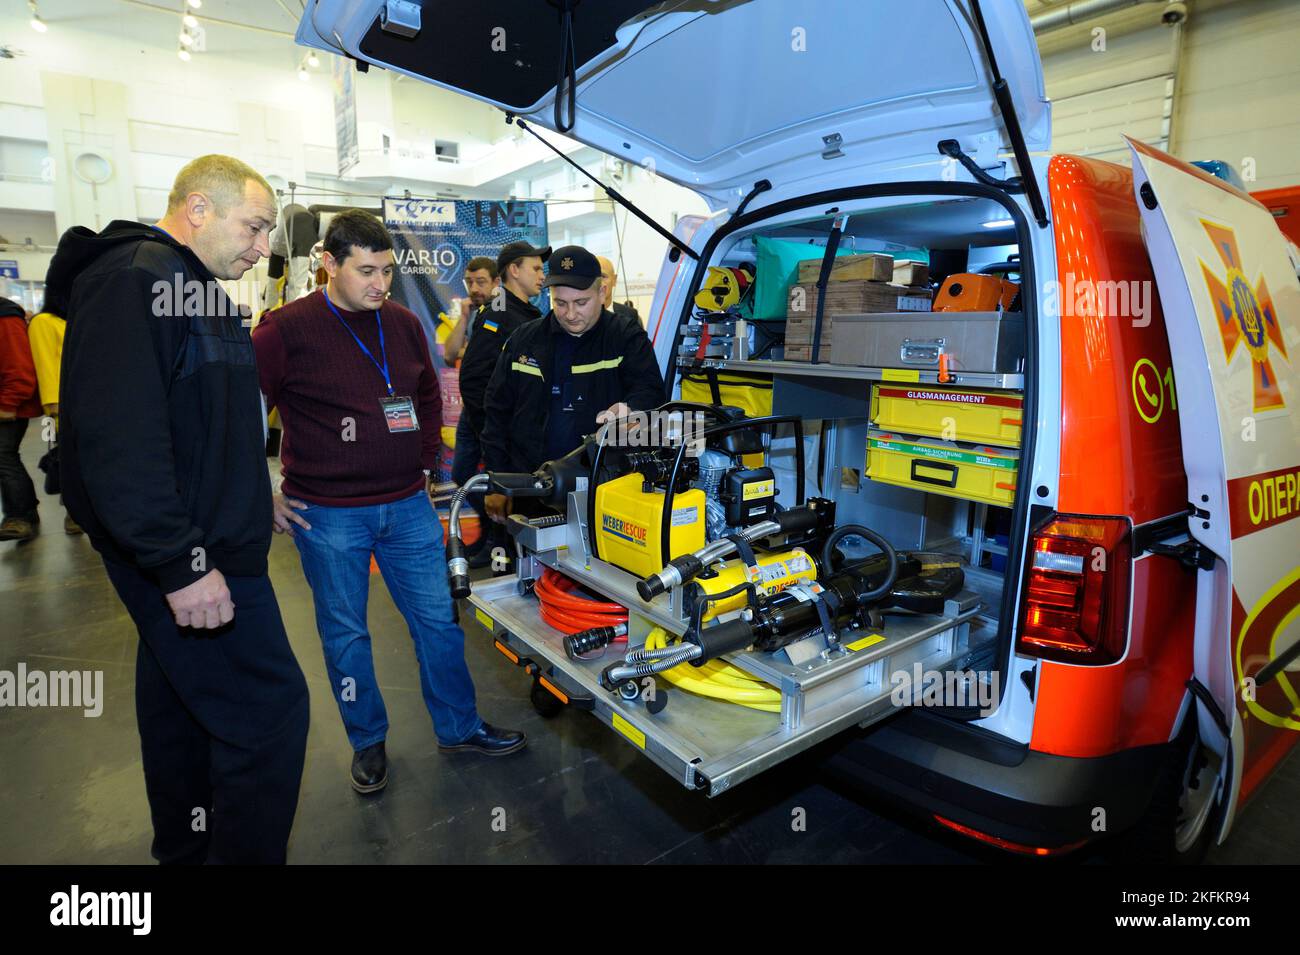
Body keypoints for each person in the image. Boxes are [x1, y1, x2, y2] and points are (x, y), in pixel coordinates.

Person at [52, 154, 310, 865]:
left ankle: (187, 851)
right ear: (198, 208)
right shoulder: (138, 277)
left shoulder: (192, 286)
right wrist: (178, 561)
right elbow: (119, 435)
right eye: (254, 227)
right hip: (197, 558)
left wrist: (257, 490)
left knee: (179, 709)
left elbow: (200, 421)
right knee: (271, 715)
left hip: (212, 544)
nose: (263, 248)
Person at [253, 210, 525, 796]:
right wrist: (259, 486)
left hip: (406, 506)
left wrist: (428, 460)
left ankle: (459, 726)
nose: (380, 283)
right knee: (346, 634)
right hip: (325, 514)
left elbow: (427, 393)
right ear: (329, 263)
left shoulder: (400, 323)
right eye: (366, 271)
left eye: (387, 271)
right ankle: (367, 741)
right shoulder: (284, 330)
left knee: (438, 623)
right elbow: (238, 411)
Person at [480, 245, 666, 522]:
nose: (570, 314)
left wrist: (632, 410)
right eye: (560, 303)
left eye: (581, 303)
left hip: (602, 487)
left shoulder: (625, 336)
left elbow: (650, 390)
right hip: (533, 488)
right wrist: (497, 481)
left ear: (602, 292)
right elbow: (496, 411)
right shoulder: (525, 340)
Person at [453, 241, 549, 561]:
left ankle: (496, 543)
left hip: (513, 425)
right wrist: (490, 428)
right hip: (498, 423)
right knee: (493, 485)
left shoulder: (527, 313)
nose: (542, 274)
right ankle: (497, 546)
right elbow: (475, 375)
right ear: (513, 270)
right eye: (535, 268)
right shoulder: (498, 311)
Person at [26, 277, 82, 534]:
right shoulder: (43, 322)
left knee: (78, 462)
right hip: (59, 408)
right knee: (65, 461)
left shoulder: (66, 320)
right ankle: (73, 513)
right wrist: (54, 406)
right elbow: (45, 364)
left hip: (78, 403)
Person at [0, 296, 42, 542]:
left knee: (4, 458)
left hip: (9, 405)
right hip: (9, 400)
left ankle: (19, 516)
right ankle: (25, 510)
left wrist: (8, 403)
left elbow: (19, 366)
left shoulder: (5, 316)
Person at [442, 255, 499, 364]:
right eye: (469, 282)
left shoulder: (503, 311)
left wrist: (462, 352)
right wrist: (463, 317)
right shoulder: (472, 311)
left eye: (480, 282)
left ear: (496, 282)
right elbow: (449, 356)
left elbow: (491, 355)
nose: (473, 289)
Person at [596, 254, 642, 325]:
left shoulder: (630, 315)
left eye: (603, 276)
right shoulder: (580, 316)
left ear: (614, 280)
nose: (599, 282)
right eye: (594, 277)